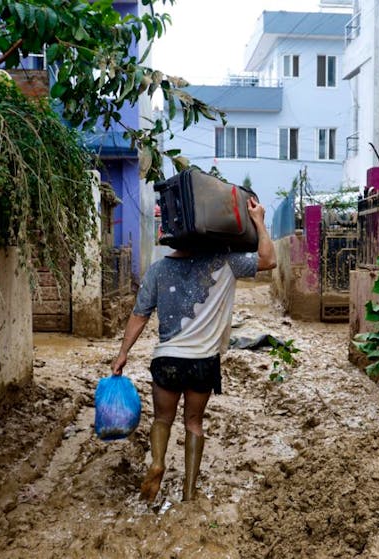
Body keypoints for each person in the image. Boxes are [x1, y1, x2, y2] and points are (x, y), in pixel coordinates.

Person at [111, 196, 276, 502]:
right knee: (193, 422)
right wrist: (259, 222)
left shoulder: (158, 269)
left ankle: (158, 463)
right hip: (202, 362)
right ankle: (189, 492)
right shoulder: (227, 261)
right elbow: (269, 260)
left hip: (166, 361)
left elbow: (139, 315)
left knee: (162, 419)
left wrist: (123, 354)